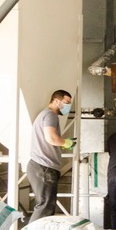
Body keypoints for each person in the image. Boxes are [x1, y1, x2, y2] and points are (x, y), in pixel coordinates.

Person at [25, 89, 72, 222]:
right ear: (56, 100)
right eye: (66, 102)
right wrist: (65, 142)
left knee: (45, 205)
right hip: (44, 166)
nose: (68, 106)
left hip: (40, 166)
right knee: (45, 206)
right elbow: (51, 138)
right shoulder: (51, 115)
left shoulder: (44, 115)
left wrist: (62, 143)